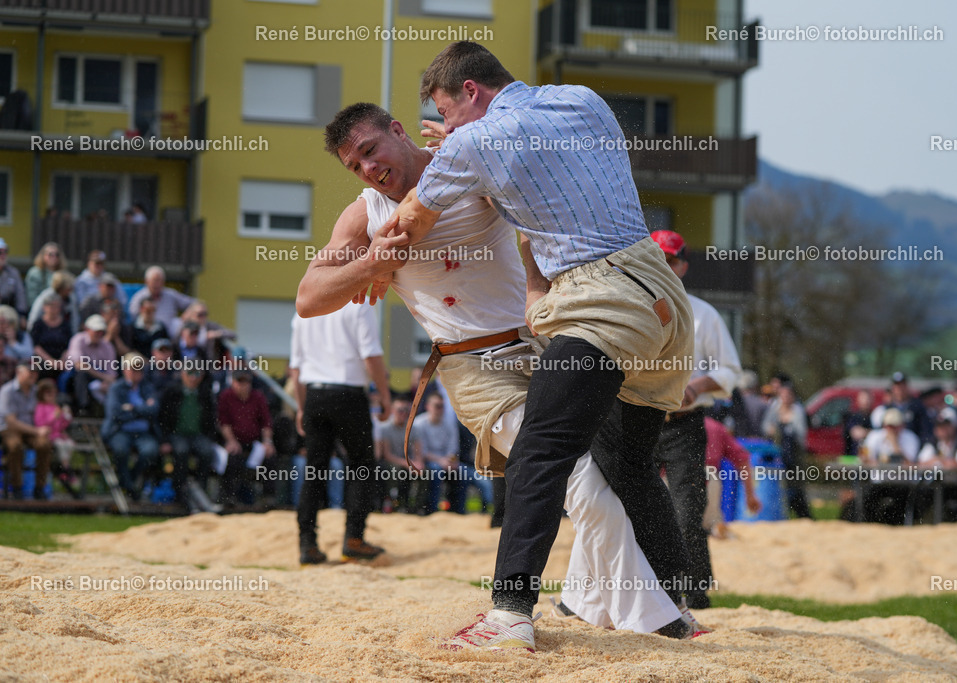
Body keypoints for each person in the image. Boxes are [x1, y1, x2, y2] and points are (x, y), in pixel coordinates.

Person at [298, 97, 697, 650]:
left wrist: (537, 287)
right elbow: (308, 297)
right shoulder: (366, 214)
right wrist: (372, 263)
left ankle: (586, 599)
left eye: (370, 151)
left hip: (541, 345)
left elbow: (536, 219)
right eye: (354, 165)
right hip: (473, 367)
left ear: (396, 131)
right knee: (579, 476)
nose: (368, 169)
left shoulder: (464, 167)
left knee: (612, 467)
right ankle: (656, 617)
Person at [648, 229, 741, 610]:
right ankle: (650, 591)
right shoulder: (631, 310)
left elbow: (731, 372)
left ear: (682, 265)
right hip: (642, 420)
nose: (665, 267)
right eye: (658, 259)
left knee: (688, 510)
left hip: (685, 423)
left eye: (671, 260)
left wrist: (696, 385)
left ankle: (696, 594)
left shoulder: (704, 314)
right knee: (636, 509)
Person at [289, 304, 391, 565]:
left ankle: (307, 544)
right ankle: (354, 539)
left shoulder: (305, 309)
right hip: (349, 395)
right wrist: (385, 396)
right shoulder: (359, 304)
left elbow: (296, 369)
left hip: (314, 394)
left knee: (315, 471)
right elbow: (371, 356)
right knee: (362, 466)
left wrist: (301, 407)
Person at [158, 367, 218, 512]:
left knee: (207, 452)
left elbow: (211, 421)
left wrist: (211, 438)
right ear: (183, 374)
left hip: (198, 435)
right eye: (190, 373)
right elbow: (162, 419)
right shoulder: (171, 392)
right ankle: (181, 494)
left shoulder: (205, 394)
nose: (193, 377)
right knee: (181, 451)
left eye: (197, 373)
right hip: (176, 434)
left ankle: (200, 492)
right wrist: (164, 440)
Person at [101, 352, 161, 500]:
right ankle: (130, 487)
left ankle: (129, 483)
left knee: (150, 451)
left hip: (143, 432)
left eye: (140, 369)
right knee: (121, 450)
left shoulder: (147, 387)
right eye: (133, 369)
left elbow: (154, 410)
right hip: (120, 430)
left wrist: (132, 408)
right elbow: (115, 414)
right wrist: (142, 409)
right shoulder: (116, 388)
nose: (137, 372)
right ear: (125, 369)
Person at [217, 369, 274, 507]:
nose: (243, 385)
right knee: (233, 457)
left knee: (270, 457)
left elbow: (266, 422)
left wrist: (267, 442)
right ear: (233, 382)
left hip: (253, 442)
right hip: (233, 440)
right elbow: (224, 423)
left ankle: (268, 498)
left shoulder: (258, 397)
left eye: (246, 382)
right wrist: (231, 441)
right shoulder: (226, 396)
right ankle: (229, 497)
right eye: (239, 381)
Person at [1, 361, 53, 499]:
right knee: (15, 446)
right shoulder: (7, 391)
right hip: (9, 430)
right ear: (19, 373)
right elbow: (11, 422)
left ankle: (40, 488)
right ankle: (17, 487)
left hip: (30, 429)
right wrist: (37, 431)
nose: (34, 375)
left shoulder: (36, 392)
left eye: (36, 373)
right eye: (31, 372)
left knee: (44, 445)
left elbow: (44, 412)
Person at [762, 383, 813, 519]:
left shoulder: (797, 411)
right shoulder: (774, 409)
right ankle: (783, 514)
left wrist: (787, 427)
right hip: (778, 457)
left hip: (794, 457)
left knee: (796, 489)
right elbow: (766, 428)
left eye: (788, 395)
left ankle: (804, 516)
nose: (785, 398)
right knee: (781, 488)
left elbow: (801, 434)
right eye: (782, 395)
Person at [412, 393, 465, 514]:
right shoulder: (419, 424)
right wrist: (441, 461)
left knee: (463, 473)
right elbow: (421, 452)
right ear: (428, 406)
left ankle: (458, 511)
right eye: (437, 406)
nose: (440, 409)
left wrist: (449, 461)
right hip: (427, 462)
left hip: (446, 462)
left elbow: (453, 449)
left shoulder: (449, 424)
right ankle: (432, 510)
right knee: (435, 472)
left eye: (442, 406)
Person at [916, 407, 957, 522]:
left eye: (946, 426)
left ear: (954, 427)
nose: (942, 429)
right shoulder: (933, 443)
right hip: (934, 484)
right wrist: (942, 461)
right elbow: (921, 463)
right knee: (921, 492)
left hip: (956, 485)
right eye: (939, 426)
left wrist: (939, 460)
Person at [375, 396, 426, 513]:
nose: (403, 413)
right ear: (392, 410)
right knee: (396, 470)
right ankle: (394, 504)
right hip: (393, 463)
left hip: (407, 462)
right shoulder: (385, 428)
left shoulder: (414, 427)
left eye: (406, 410)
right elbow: (387, 455)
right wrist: (408, 464)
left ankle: (417, 507)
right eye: (400, 410)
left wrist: (418, 464)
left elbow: (418, 451)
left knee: (425, 472)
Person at [33, 378, 81, 498]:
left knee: (69, 444)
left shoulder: (55, 407)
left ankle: (65, 468)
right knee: (60, 445)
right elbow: (40, 423)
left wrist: (66, 417)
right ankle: (66, 470)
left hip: (58, 435)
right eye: (49, 393)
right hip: (48, 437)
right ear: (42, 394)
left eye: (54, 393)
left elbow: (61, 426)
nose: (52, 396)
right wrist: (53, 417)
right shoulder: (41, 407)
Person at [64, 314, 118, 413]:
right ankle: (84, 407)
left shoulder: (107, 346)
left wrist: (106, 382)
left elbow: (111, 373)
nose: (99, 334)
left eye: (101, 332)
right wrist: (103, 377)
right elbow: (79, 365)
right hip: (73, 379)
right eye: (96, 331)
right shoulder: (78, 340)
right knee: (81, 374)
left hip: (97, 379)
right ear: (87, 329)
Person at [128, 266, 194, 330]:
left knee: (177, 322)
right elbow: (132, 318)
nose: (156, 284)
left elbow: (195, 303)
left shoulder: (171, 295)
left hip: (169, 335)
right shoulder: (139, 297)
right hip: (147, 334)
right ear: (146, 282)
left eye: (159, 281)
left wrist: (186, 314)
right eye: (154, 280)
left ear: (163, 282)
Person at [870, 372, 930, 442]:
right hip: (890, 444)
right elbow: (881, 430)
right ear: (893, 388)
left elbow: (925, 430)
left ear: (906, 386)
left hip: (912, 444)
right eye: (897, 385)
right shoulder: (887, 408)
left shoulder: (917, 407)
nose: (900, 389)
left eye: (902, 385)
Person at [30, 293, 73, 382]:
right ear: (44, 307)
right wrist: (51, 361)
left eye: (56, 306)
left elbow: (69, 345)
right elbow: (36, 346)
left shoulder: (65, 325)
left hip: (62, 358)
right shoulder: (38, 324)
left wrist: (62, 360)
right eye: (51, 306)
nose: (54, 309)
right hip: (43, 358)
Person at [24, 242, 66, 307]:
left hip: (59, 310)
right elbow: (31, 298)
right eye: (50, 254)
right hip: (40, 310)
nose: (54, 257)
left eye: (57, 255)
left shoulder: (63, 274)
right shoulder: (34, 273)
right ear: (43, 256)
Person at [0, 238, 28, 320]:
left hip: (8, 314)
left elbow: (20, 295)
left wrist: (22, 315)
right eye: (0, 252)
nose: (3, 255)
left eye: (5, 252)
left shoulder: (13, 272)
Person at [843, 390, 875, 456]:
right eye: (863, 398)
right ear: (858, 400)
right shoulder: (853, 417)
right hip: (854, 458)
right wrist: (872, 433)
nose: (866, 401)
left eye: (868, 399)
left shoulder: (875, 416)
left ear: (872, 400)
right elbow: (857, 434)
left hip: (872, 458)